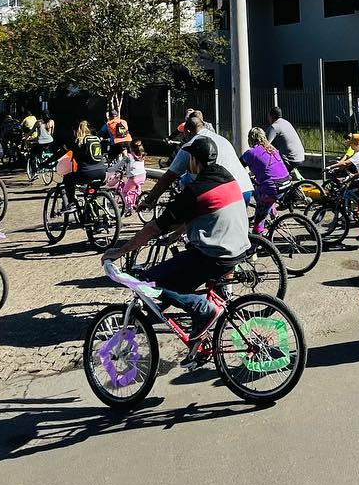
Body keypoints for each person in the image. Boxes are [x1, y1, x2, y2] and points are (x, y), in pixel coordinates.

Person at [106, 136, 252, 349]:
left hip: (213, 256)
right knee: (182, 284)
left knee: (149, 281)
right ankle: (199, 341)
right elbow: (204, 212)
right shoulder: (226, 176)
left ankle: (203, 309)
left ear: (194, 160)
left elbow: (155, 227)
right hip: (239, 248)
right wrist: (177, 234)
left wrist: (120, 251)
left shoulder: (195, 191)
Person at [241, 128, 290, 235]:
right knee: (264, 193)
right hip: (286, 183)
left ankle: (254, 246)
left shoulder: (250, 153)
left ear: (250, 139)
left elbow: (238, 166)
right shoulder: (272, 149)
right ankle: (274, 214)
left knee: (259, 217)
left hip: (273, 187)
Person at [264, 107, 306, 175]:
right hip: (300, 156)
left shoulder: (274, 127)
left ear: (270, 116)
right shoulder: (286, 123)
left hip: (289, 159)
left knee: (270, 172)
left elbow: (264, 144)